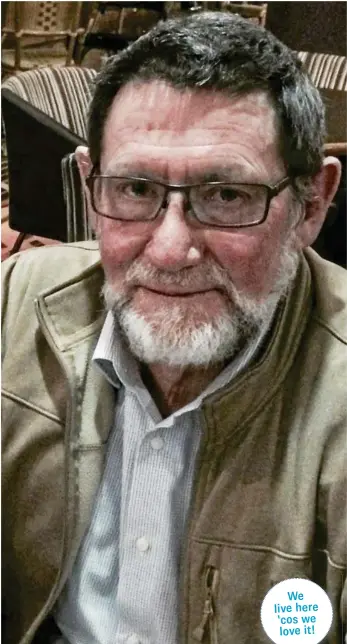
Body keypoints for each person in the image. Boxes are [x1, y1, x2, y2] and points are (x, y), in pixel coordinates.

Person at [2, 11, 346, 644]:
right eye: (135, 188)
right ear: (88, 183)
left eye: (227, 196)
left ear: (311, 206)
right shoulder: (14, 304)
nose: (167, 251)